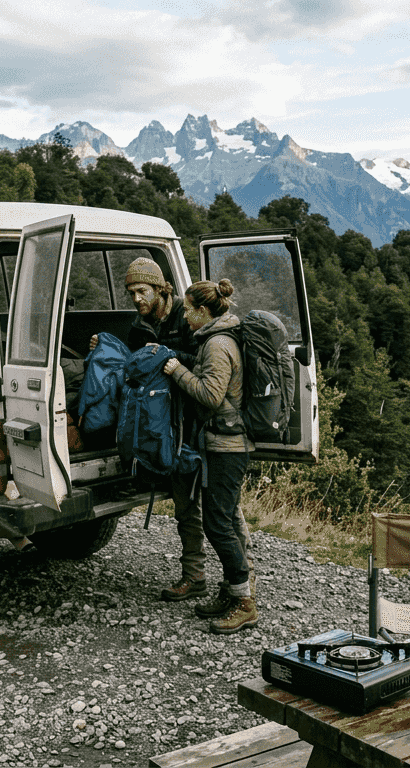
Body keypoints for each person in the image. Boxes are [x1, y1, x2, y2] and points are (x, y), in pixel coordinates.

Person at [90, 258, 248, 604]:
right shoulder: (139, 324)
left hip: (198, 420)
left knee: (222, 508)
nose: (136, 298)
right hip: (167, 426)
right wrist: (107, 349)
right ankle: (195, 578)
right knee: (185, 505)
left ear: (161, 289)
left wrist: (169, 357)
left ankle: (240, 582)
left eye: (142, 291)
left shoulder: (189, 314)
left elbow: (203, 361)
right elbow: (135, 366)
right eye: (131, 292)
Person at [162, 279, 258, 634]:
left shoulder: (217, 344)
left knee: (218, 524)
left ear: (203, 312)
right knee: (226, 519)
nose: (184, 316)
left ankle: (245, 602)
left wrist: (177, 371)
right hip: (222, 444)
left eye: (188, 310)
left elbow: (210, 394)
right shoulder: (218, 338)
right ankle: (231, 593)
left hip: (227, 447)